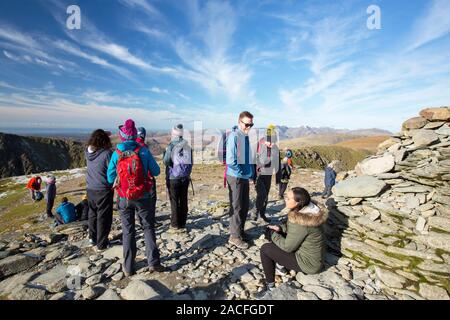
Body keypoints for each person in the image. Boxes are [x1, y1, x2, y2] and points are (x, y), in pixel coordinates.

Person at [107, 119, 165, 276]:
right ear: (134, 135)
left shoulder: (116, 153)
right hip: (143, 196)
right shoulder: (144, 151)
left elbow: (110, 177)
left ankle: (128, 267)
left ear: (122, 136)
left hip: (124, 197)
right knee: (148, 227)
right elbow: (157, 171)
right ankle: (153, 263)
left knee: (128, 231)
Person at [256, 187, 327, 299]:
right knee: (276, 234)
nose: (285, 200)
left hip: (308, 264)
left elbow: (287, 247)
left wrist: (273, 235)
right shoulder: (309, 212)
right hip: (312, 256)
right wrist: (279, 228)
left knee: (265, 249)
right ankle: (281, 266)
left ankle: (270, 287)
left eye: (288, 199)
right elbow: (293, 231)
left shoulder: (302, 221)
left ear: (299, 202)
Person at [226, 111, 255, 249]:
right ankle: (234, 236)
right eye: (246, 124)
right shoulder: (234, 136)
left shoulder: (244, 136)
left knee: (244, 205)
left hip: (243, 175)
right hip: (236, 176)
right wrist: (240, 172)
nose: (249, 127)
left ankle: (241, 231)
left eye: (251, 124)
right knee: (236, 206)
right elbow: (231, 160)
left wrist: (249, 172)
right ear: (239, 122)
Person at [85, 129, 114, 251]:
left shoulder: (88, 152)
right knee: (104, 216)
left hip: (90, 188)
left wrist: (102, 135)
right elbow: (112, 170)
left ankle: (92, 238)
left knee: (93, 213)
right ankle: (102, 243)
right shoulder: (107, 154)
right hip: (103, 189)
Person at [163, 124, 193, 234]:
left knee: (175, 201)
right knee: (184, 199)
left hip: (173, 177)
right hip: (185, 177)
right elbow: (191, 163)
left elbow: (166, 161)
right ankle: (183, 223)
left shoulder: (171, 145)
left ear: (174, 134)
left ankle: (175, 225)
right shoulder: (188, 147)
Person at [252, 124, 280, 223]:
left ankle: (262, 214)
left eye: (274, 142)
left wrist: (278, 179)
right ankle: (254, 212)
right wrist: (250, 176)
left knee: (266, 195)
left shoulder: (275, 148)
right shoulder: (258, 145)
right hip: (258, 174)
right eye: (270, 142)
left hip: (268, 175)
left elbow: (278, 163)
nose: (272, 144)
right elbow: (250, 160)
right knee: (262, 194)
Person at [136, 127, 159, 228]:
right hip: (147, 178)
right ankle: (151, 220)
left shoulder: (131, 146)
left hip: (134, 179)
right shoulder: (143, 147)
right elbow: (154, 170)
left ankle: (139, 219)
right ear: (144, 135)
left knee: (138, 199)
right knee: (151, 199)